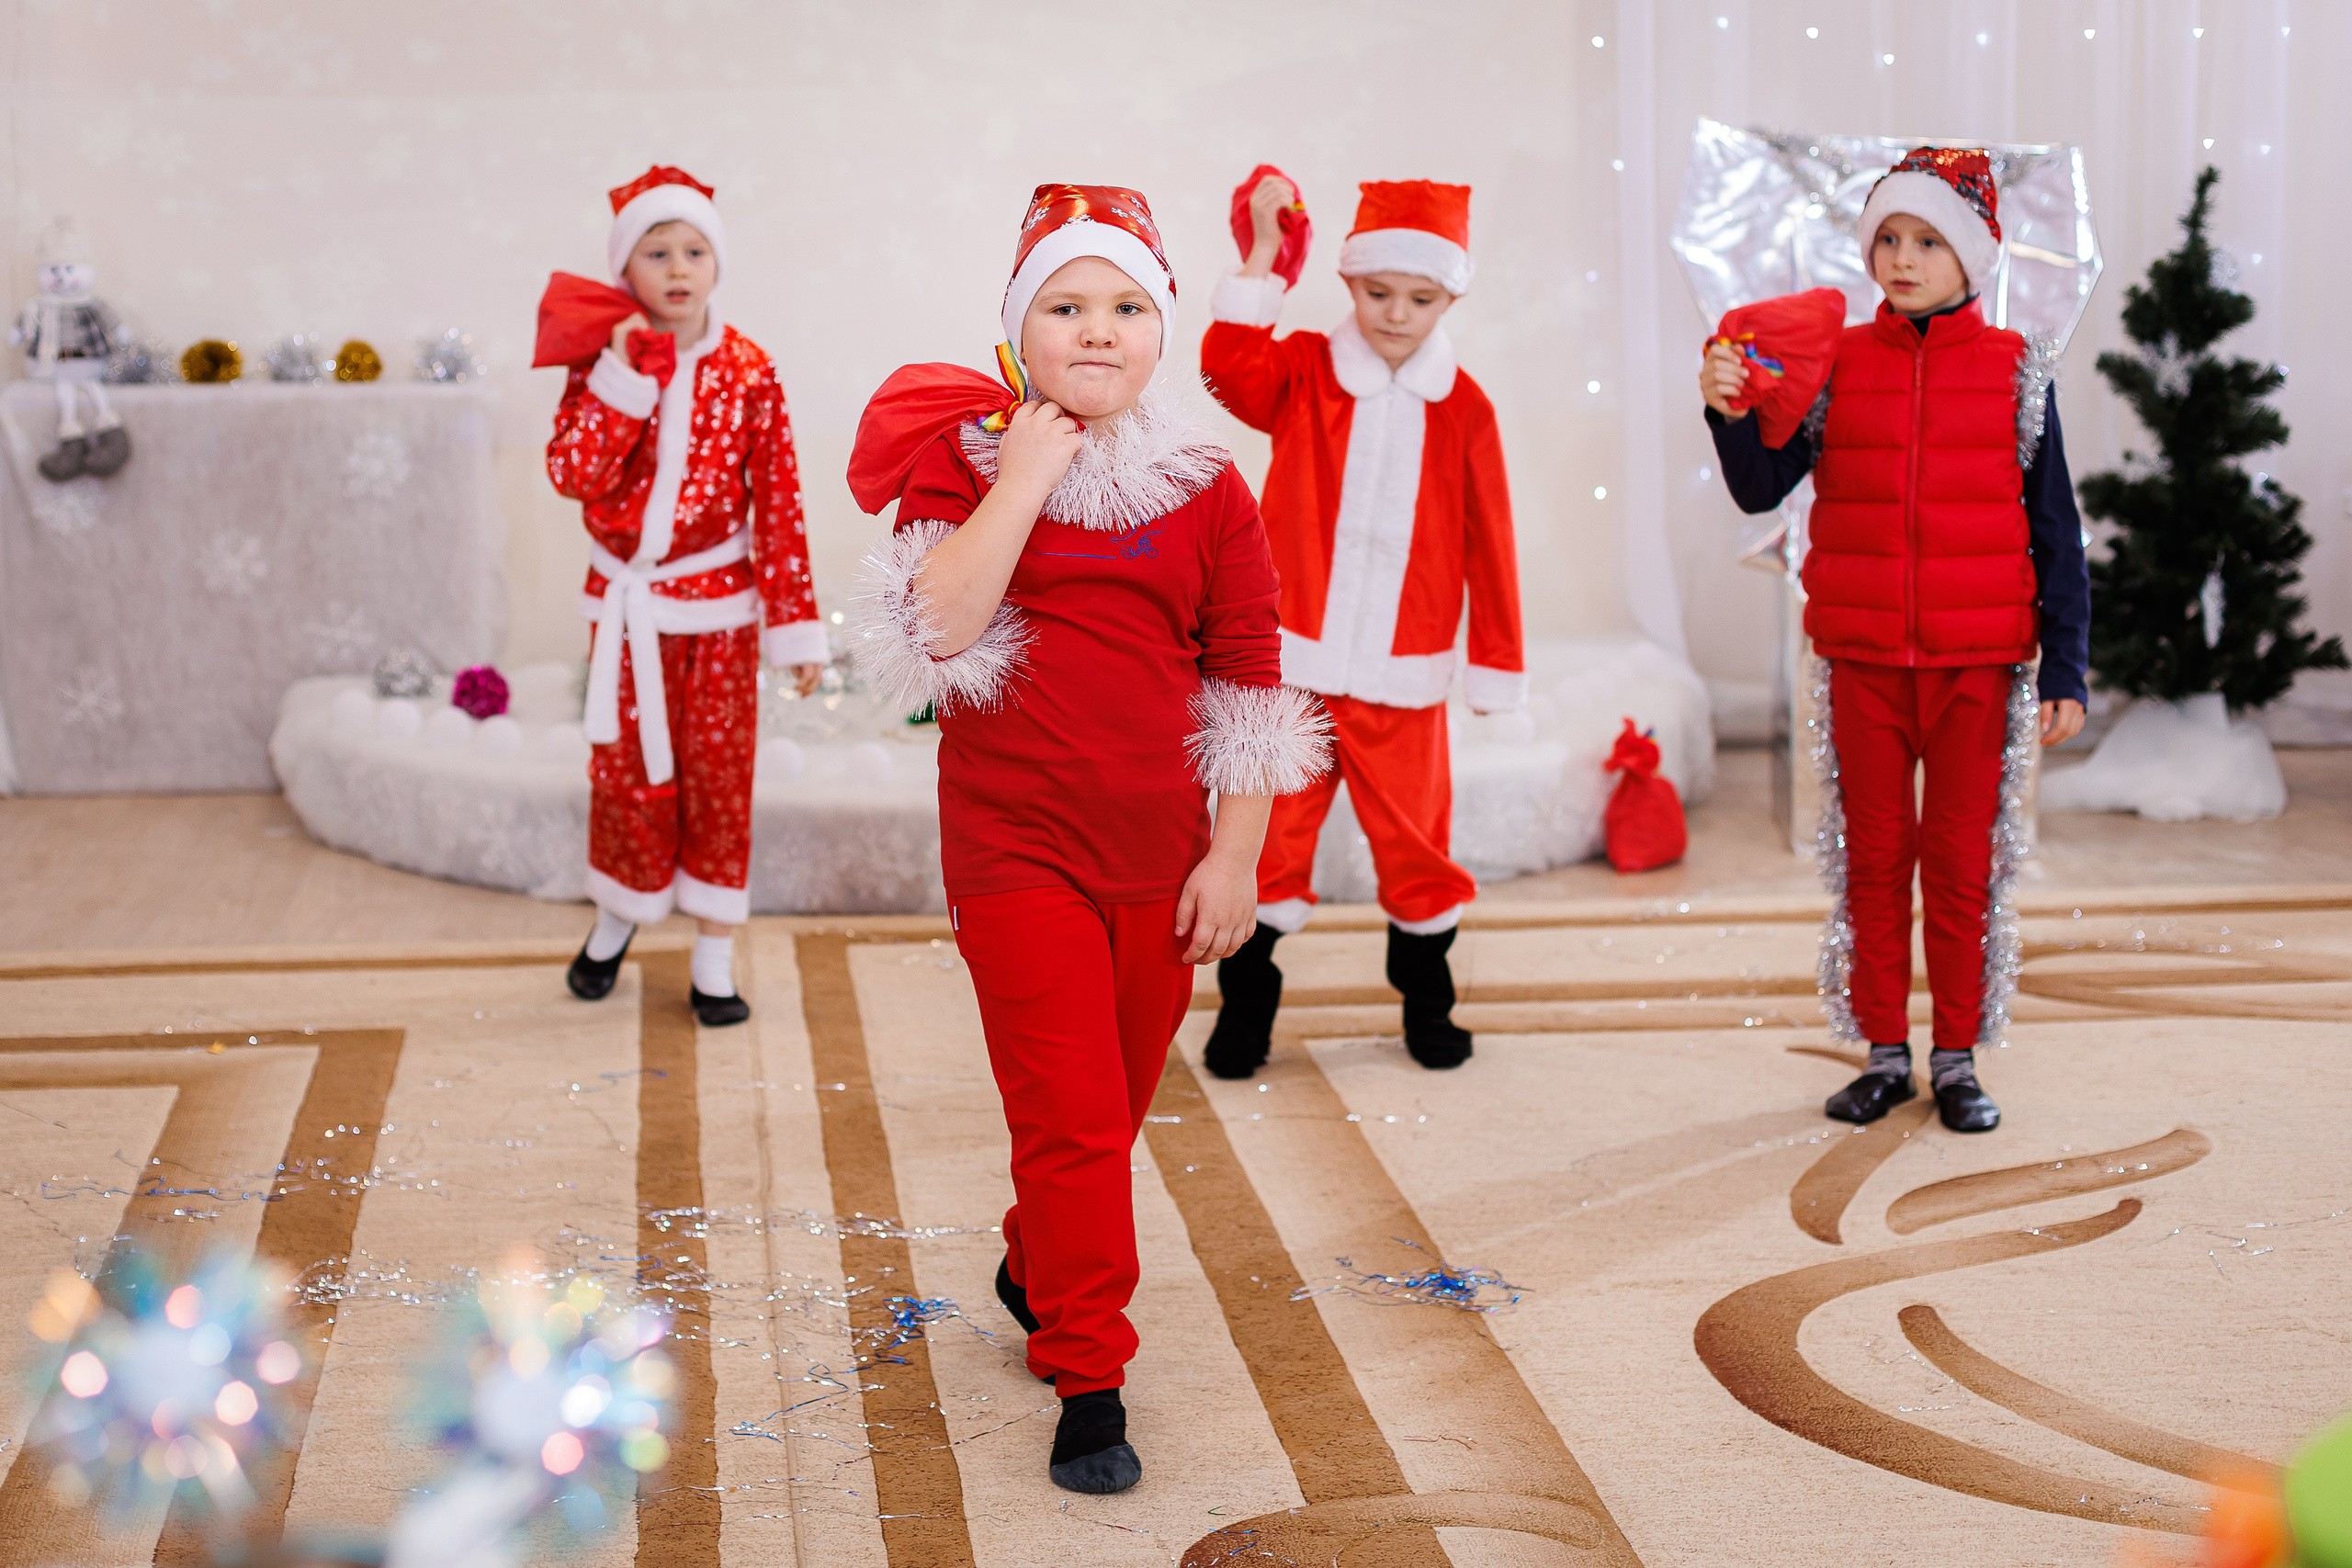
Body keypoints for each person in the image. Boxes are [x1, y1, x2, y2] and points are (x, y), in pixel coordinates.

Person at [845, 185, 1327, 1495]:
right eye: (1065, 305)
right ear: (1020, 326)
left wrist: (1236, 856)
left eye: (1125, 307)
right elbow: (936, 632)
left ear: (1162, 332)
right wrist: (1027, 474)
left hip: (1164, 852)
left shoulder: (1214, 488)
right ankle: (1090, 1373)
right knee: (1063, 1111)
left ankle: (1034, 1257)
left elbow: (1247, 676)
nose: (1097, 330)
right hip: (1015, 846)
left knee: (1104, 1110)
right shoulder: (965, 461)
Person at [1700, 147, 2091, 1134]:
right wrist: (1726, 412)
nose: (1902, 258)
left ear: (1972, 258)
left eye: (1926, 240)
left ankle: (1955, 1055)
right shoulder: (1836, 366)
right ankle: (1883, 1051)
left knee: (1959, 862)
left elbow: (2057, 532)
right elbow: (1760, 486)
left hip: (1978, 662)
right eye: (1888, 238)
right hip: (1862, 659)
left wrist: (2067, 664)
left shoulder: (2017, 375)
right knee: (1872, 858)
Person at [1198, 174, 1525, 1078]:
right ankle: (1244, 1013)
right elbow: (1225, 367)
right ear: (1349, 287)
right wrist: (1262, 255)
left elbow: (1491, 547)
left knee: (1418, 854)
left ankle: (1427, 1001)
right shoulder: (1303, 372)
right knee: (1266, 844)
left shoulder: (1466, 409)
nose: (1395, 315)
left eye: (1420, 299)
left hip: (1404, 676)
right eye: (1378, 293)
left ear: (1450, 296)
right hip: (1292, 668)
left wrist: (1495, 666)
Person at [546, 165, 829, 1025]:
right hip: (629, 611)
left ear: (717, 263)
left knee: (716, 778)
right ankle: (616, 917)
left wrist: (796, 631)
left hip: (720, 618)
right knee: (625, 774)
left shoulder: (749, 370)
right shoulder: (603, 360)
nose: (677, 268)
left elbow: (778, 497)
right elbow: (571, 472)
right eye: (655, 250)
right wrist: (625, 383)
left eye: (694, 250)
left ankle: (712, 950)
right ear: (624, 270)